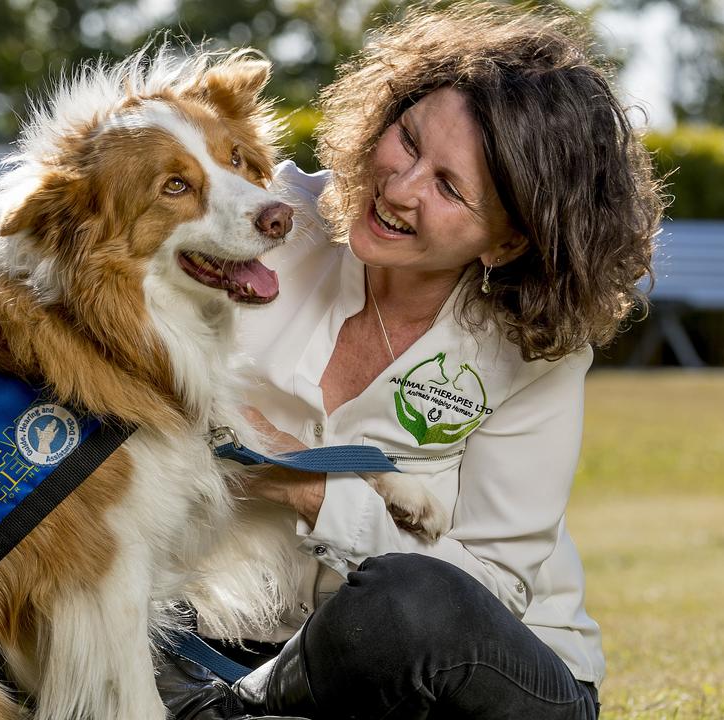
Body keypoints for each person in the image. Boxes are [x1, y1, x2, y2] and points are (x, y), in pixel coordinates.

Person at [160, 4, 662, 719]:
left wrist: (305, 487)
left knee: (407, 602)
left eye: (450, 187)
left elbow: (487, 583)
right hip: (231, 639)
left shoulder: (536, 352)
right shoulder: (264, 221)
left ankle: (232, 709)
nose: (398, 187)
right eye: (408, 138)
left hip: (468, 668)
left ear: (509, 241)